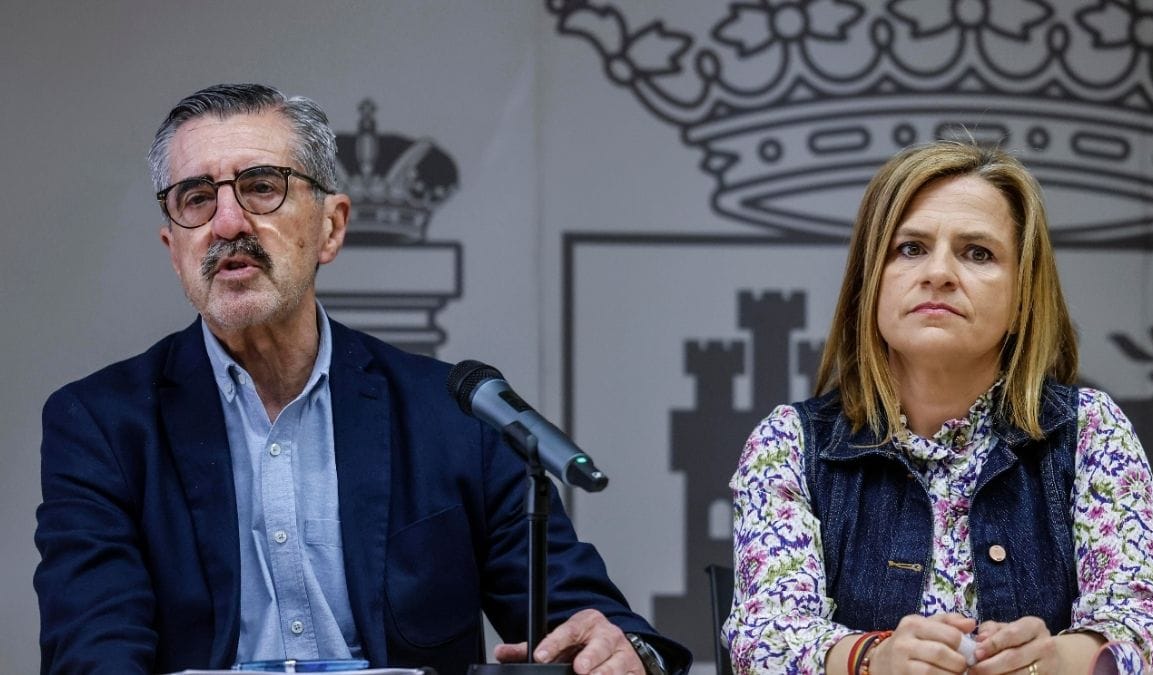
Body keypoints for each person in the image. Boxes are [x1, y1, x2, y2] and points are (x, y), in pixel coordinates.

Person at [34, 83, 690, 675]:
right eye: (197, 199)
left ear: (332, 226)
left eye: (261, 187)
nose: (227, 223)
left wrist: (625, 653)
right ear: (174, 250)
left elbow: (584, 620)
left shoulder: (454, 417)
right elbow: (93, 648)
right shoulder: (102, 425)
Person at [724, 140, 1153, 675]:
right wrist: (872, 661)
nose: (940, 273)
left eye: (978, 253)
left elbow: (1150, 625)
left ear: (1023, 297)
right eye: (910, 248)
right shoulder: (788, 442)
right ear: (868, 283)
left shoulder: (1090, 430)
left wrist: (1055, 660)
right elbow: (764, 639)